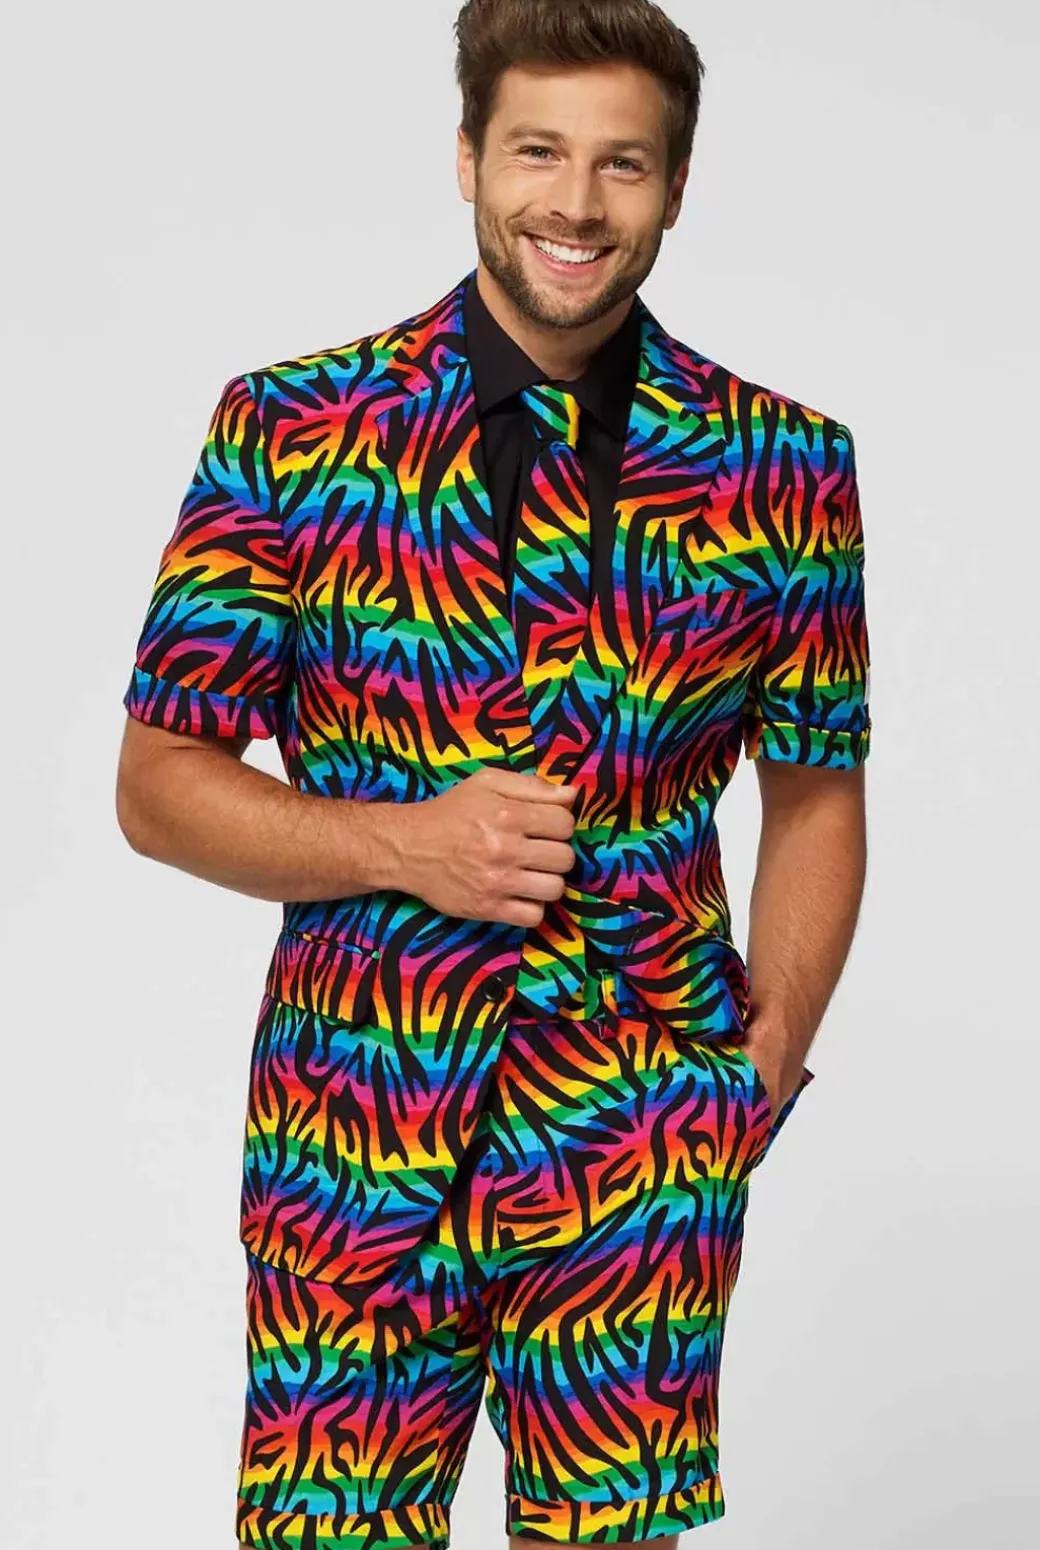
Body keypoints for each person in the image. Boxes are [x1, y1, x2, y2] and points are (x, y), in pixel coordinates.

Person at [116, 2, 871, 1546]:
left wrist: (766, 1057)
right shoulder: (293, 431)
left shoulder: (785, 466)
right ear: (468, 157)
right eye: (538, 151)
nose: (576, 203)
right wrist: (404, 845)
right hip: (357, 1135)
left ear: (675, 187)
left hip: (643, 1137)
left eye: (622, 164)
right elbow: (159, 782)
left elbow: (815, 793)